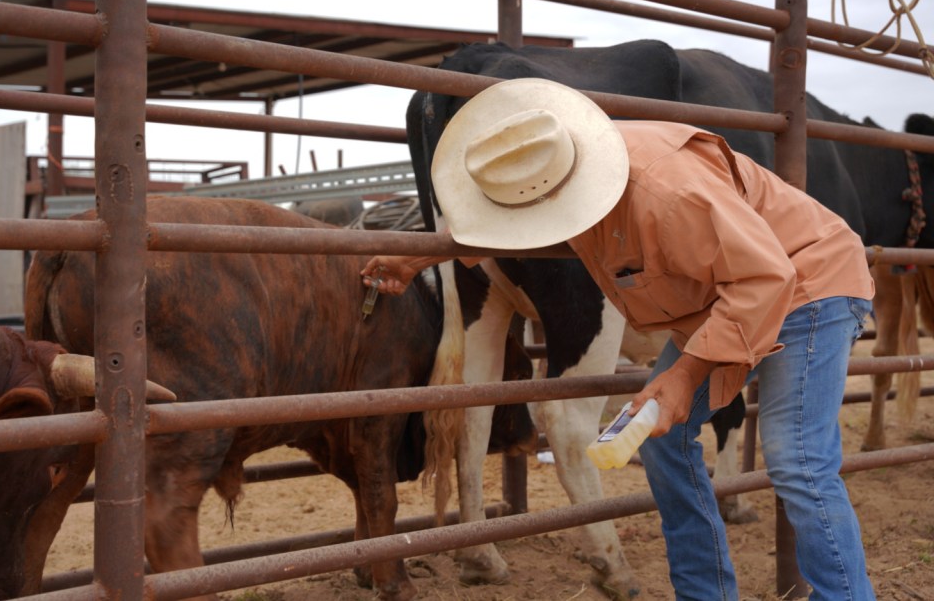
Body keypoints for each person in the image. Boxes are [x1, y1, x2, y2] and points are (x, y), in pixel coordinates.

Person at [361, 77, 876, 600]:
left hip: (808, 283)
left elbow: (766, 279)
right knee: (662, 441)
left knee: (796, 459)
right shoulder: (555, 168)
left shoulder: (668, 194)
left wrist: (684, 374)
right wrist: (417, 256)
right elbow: (493, 223)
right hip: (721, 299)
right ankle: (706, 594)